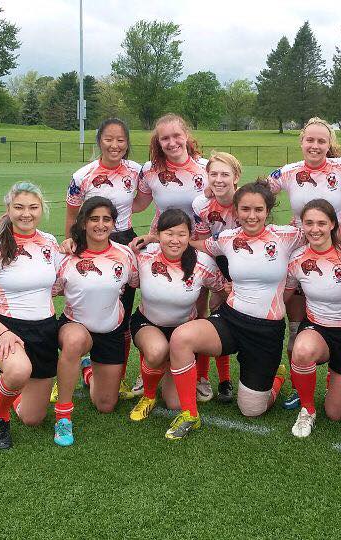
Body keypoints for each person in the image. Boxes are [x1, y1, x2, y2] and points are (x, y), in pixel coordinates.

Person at [162, 180, 306, 439]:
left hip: (265, 330)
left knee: (251, 410)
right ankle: (189, 415)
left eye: (258, 210)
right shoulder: (227, 238)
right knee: (181, 337)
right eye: (245, 209)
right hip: (230, 320)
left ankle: (276, 377)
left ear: (267, 210)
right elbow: (196, 244)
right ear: (236, 211)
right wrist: (154, 239)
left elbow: (322, 233)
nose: (251, 216)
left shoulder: (286, 236)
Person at [267, 117, 341, 407]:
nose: (315, 145)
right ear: (301, 142)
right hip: (298, 255)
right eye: (309, 140)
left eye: (321, 141)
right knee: (297, 323)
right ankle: (299, 385)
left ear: (330, 145)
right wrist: (216, 193)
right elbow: (261, 191)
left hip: (337, 251)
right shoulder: (288, 172)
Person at [0, 182, 62, 449]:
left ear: (41, 209)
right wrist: (4, 332)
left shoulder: (50, 243)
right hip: (7, 329)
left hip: (45, 330)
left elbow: (56, 285)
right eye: (19, 207)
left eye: (33, 207)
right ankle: (0, 418)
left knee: (33, 419)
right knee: (20, 370)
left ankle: (5, 388)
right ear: (8, 209)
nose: (26, 214)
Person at [63, 118, 145, 401]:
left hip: (122, 241)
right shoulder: (82, 175)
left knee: (119, 312)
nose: (115, 145)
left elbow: (144, 198)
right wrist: (72, 241)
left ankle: (113, 377)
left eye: (121, 140)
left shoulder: (136, 171)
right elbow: (73, 215)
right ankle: (69, 367)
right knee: (81, 304)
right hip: (88, 242)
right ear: (99, 140)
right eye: (109, 139)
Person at [51, 197, 138, 446]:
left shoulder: (125, 254)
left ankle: (88, 371)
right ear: (83, 223)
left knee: (106, 405)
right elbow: (47, 290)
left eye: (106, 219)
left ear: (113, 223)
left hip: (110, 331)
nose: (100, 225)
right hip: (74, 326)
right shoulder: (66, 256)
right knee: (76, 340)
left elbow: (135, 282)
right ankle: (63, 415)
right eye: (94, 219)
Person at [128, 209, 226, 422]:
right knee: (156, 351)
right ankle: (148, 395)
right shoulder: (144, 255)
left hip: (182, 333)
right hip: (148, 323)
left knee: (175, 403)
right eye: (169, 233)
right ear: (158, 234)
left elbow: (222, 288)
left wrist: (212, 312)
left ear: (190, 236)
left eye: (181, 234)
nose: (175, 240)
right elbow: (126, 275)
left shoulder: (202, 263)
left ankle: (162, 369)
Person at [284, 199, 341, 438]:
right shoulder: (297, 258)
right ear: (302, 225)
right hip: (317, 328)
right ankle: (307, 409)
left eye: (321, 223)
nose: (315, 229)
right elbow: (285, 295)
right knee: (300, 350)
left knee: (336, 413)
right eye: (309, 223)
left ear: (333, 224)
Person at [190, 151, 243, 403]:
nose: (219, 179)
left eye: (225, 174)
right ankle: (202, 377)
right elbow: (200, 242)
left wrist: (232, 281)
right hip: (212, 259)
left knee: (231, 317)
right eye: (213, 174)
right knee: (206, 316)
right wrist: (218, 281)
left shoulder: (245, 200)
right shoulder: (201, 204)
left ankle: (225, 378)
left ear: (236, 178)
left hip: (242, 262)